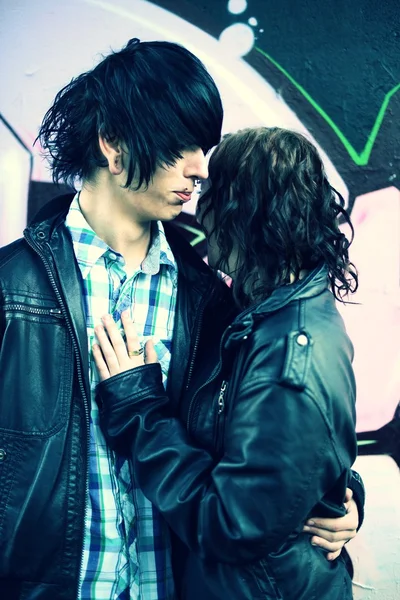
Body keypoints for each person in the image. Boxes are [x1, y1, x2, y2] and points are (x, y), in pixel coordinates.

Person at [0, 34, 362, 599]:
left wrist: (337, 495)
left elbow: (264, 439)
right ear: (114, 147)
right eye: (179, 147)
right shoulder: (11, 291)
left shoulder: (213, 299)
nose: (200, 169)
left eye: (204, 148)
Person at [91, 127, 362, 600]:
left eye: (212, 195)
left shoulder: (289, 357)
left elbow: (232, 525)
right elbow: (277, 455)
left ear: (245, 216)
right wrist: (336, 491)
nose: (200, 208)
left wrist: (138, 407)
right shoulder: (255, 313)